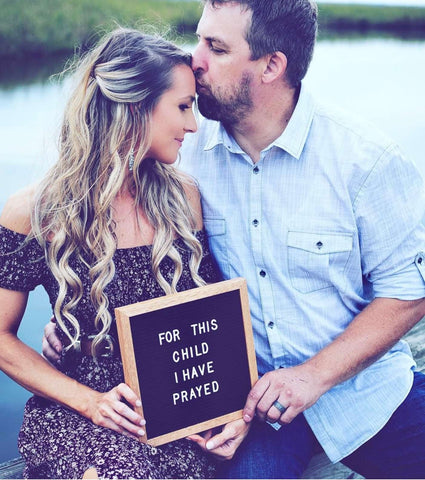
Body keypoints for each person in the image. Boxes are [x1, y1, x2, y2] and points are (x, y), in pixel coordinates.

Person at [43, 1, 425, 478]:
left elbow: (408, 294)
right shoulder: (177, 152)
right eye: (199, 37)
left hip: (362, 396)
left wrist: (311, 377)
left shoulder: (367, 160)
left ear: (271, 65)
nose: (194, 58)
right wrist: (78, 320)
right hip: (246, 408)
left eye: (216, 47)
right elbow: (122, 234)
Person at [0, 27, 223, 479]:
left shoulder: (184, 196)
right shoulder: (34, 211)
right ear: (135, 106)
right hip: (82, 411)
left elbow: (211, 320)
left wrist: (228, 410)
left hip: (179, 408)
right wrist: (91, 402)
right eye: (183, 106)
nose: (193, 125)